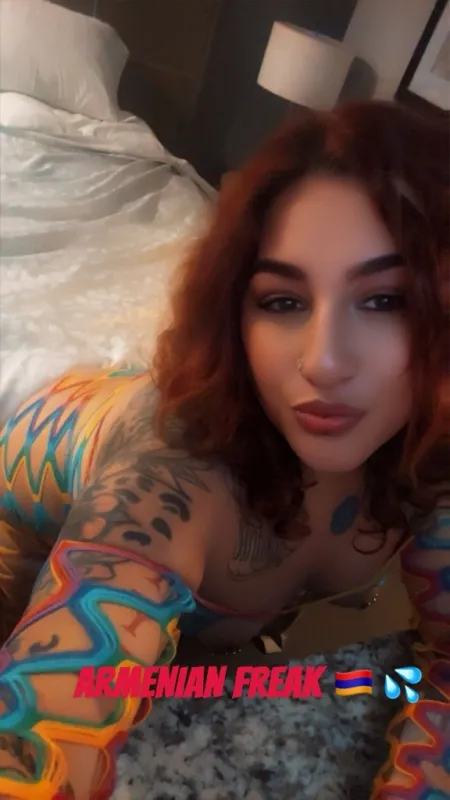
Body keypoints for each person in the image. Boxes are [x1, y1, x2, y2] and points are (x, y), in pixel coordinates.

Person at [0, 100, 448, 800]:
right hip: (51, 434)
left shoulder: (428, 447)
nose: (323, 363)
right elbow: (41, 744)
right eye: (281, 301)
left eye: (386, 300)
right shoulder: (168, 487)